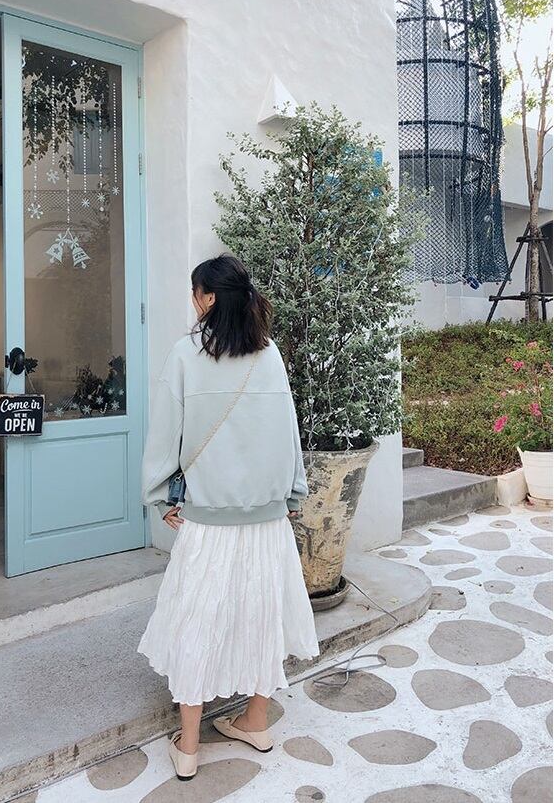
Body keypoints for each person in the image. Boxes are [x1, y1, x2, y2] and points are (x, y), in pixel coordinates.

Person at [138, 253, 319, 780]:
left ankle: (190, 746)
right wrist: (292, 491)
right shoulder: (269, 354)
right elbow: (288, 428)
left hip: (208, 518)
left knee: (197, 620)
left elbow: (165, 432)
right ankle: (255, 722)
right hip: (267, 518)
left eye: (196, 293)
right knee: (262, 615)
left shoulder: (184, 355)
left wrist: (160, 494)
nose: (193, 302)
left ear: (209, 298)